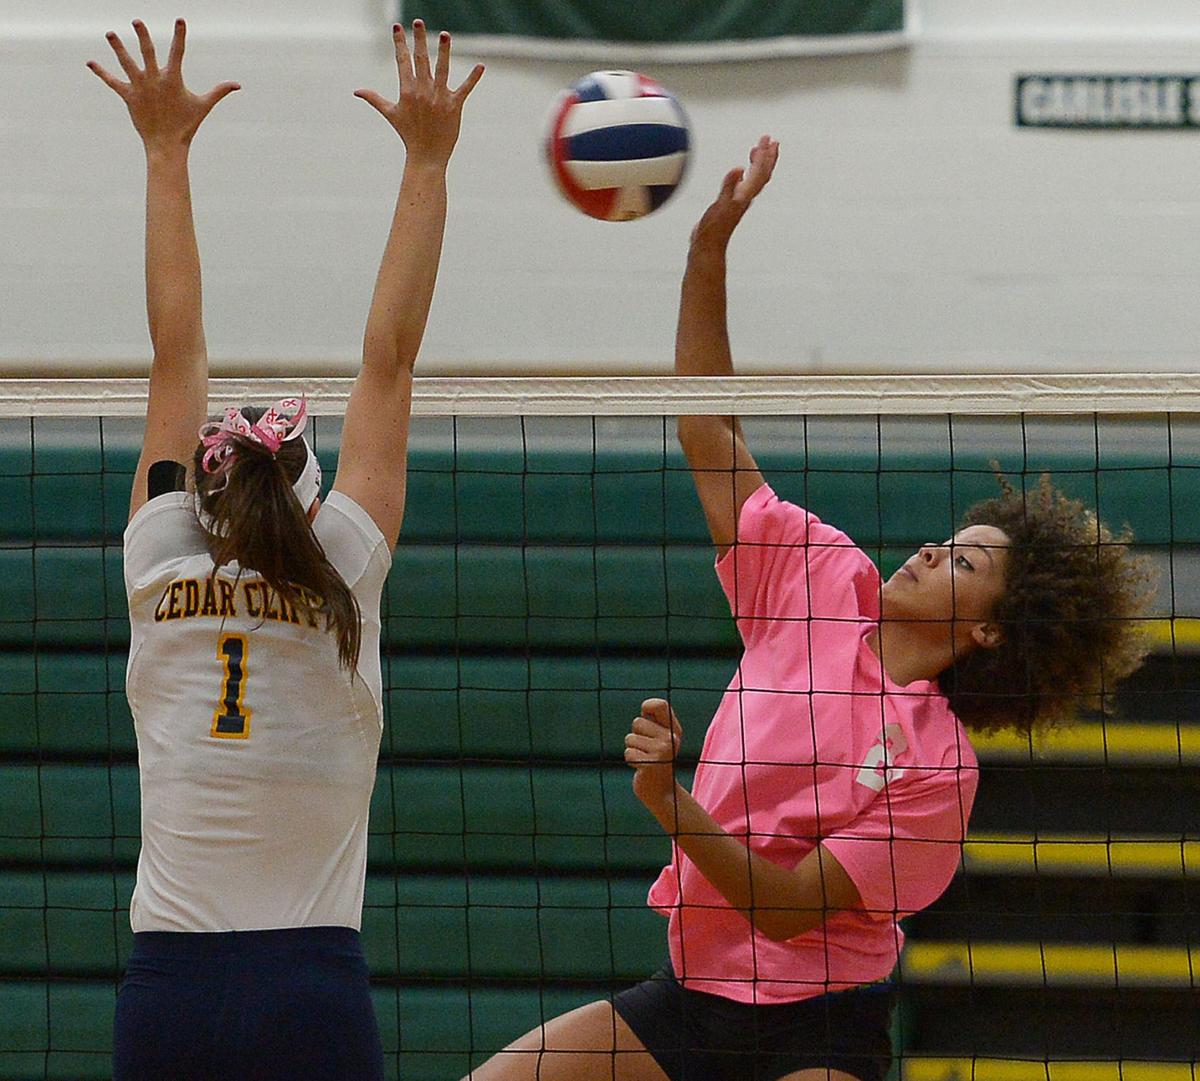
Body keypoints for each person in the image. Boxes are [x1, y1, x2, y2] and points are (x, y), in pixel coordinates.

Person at [465, 140, 1153, 1081]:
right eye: (946, 537)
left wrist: (672, 801)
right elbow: (711, 431)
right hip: (687, 996)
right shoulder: (820, 577)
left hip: (819, 1027)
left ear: (993, 628)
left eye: (961, 561)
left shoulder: (937, 766)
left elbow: (789, 909)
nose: (927, 550)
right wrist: (707, 250)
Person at [90, 18, 482, 1081]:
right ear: (309, 501)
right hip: (311, 991)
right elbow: (388, 364)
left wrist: (163, 151)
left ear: (202, 498)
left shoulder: (162, 565)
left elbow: (178, 355)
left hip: (168, 993)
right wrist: (429, 163)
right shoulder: (344, 567)